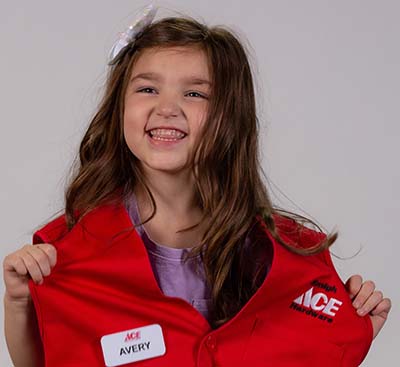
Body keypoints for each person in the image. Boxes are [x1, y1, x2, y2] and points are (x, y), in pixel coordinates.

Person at [3, 5, 391, 367]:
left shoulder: (284, 254)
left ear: (229, 115)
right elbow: (49, 358)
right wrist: (20, 302)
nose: (167, 107)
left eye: (194, 93)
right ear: (118, 107)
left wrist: (348, 331)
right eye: (147, 89)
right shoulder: (69, 252)